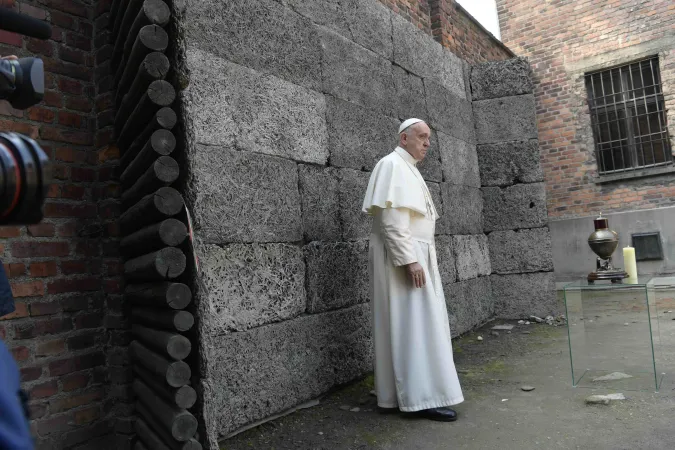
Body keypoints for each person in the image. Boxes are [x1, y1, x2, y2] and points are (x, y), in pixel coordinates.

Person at [362, 118, 463, 422]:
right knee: (414, 326)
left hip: (414, 253)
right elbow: (392, 221)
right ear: (403, 138)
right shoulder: (392, 164)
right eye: (421, 137)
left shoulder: (408, 169)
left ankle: (396, 393)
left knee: (412, 324)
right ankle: (421, 398)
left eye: (429, 138)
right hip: (404, 257)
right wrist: (409, 260)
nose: (427, 143)